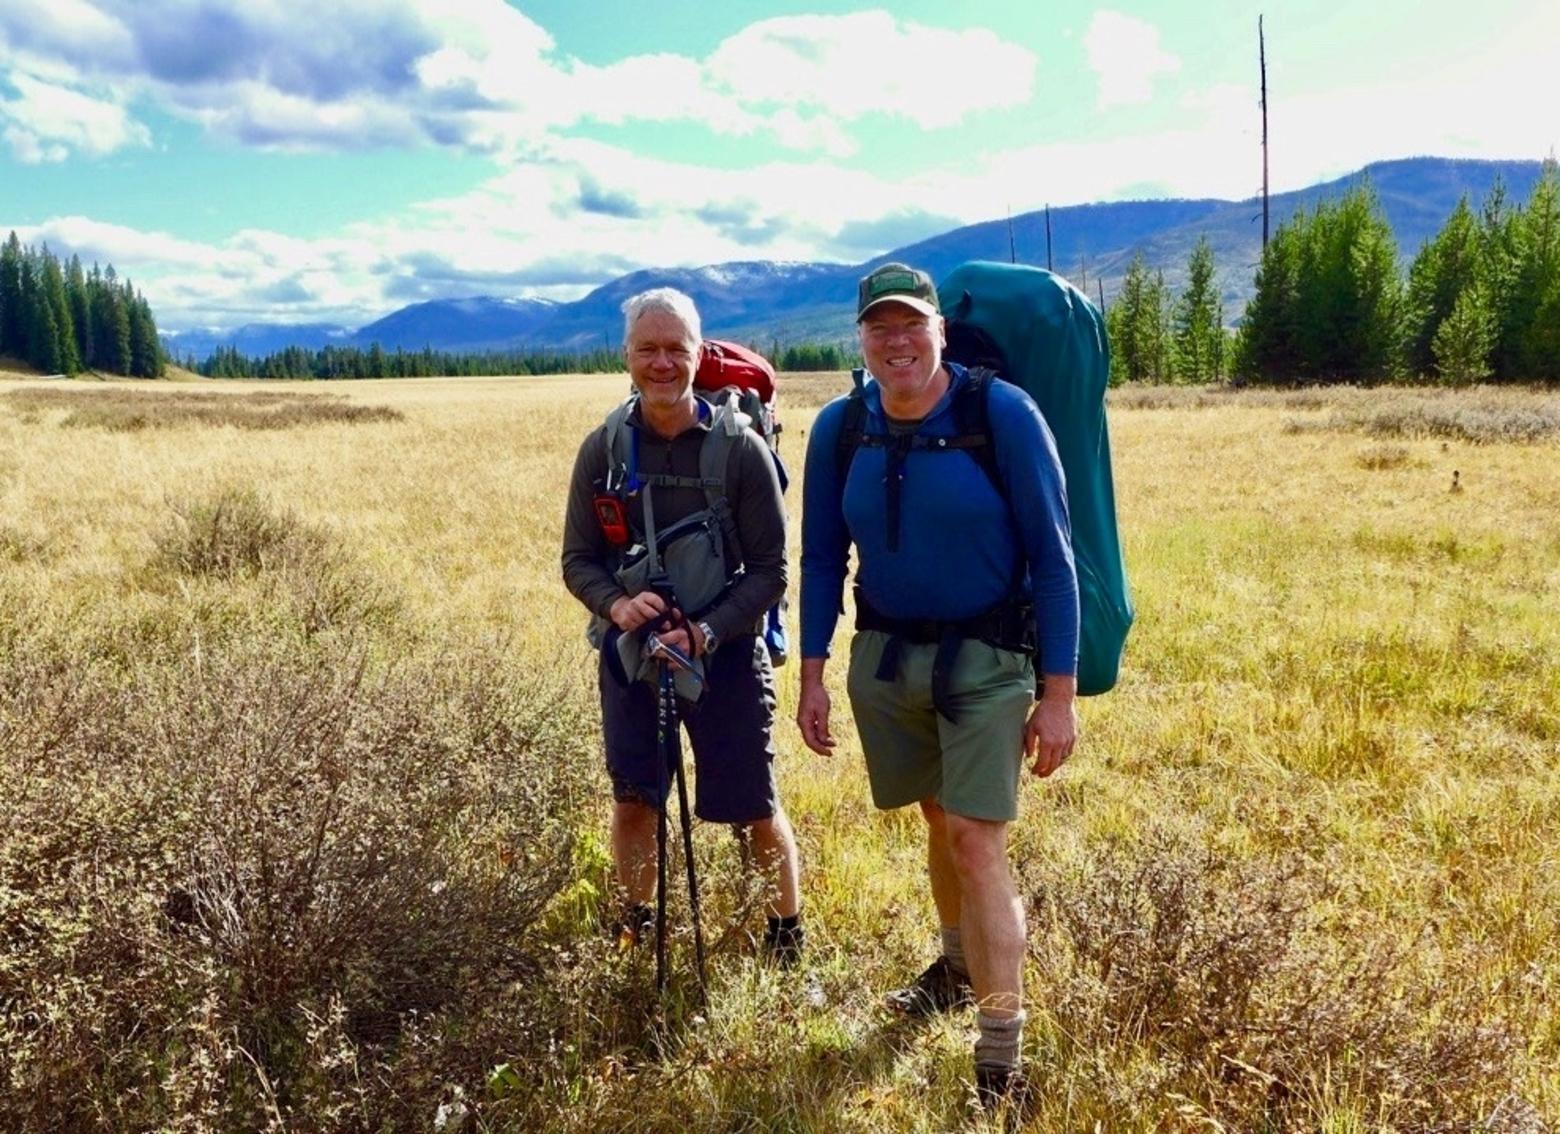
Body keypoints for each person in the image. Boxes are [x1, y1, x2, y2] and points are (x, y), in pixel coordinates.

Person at [796, 262, 1079, 1104]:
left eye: (910, 324)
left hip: (990, 661)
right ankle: (955, 966)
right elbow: (818, 559)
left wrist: (1057, 695)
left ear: (939, 330)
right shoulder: (841, 428)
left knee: (975, 839)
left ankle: (1000, 1057)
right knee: (934, 813)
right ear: (861, 339)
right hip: (887, 659)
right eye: (879, 328)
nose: (896, 342)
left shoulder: (1003, 415)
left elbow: (1056, 562)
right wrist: (810, 676)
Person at [562, 287, 803, 963]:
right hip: (632, 654)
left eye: (677, 349)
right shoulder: (602, 450)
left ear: (701, 354)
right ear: (627, 356)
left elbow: (770, 572)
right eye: (649, 349)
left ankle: (786, 937)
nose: (662, 363)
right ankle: (635, 930)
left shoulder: (741, 451)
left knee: (752, 804)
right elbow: (578, 559)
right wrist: (617, 608)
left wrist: (705, 632)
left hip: (723, 654)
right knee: (635, 798)